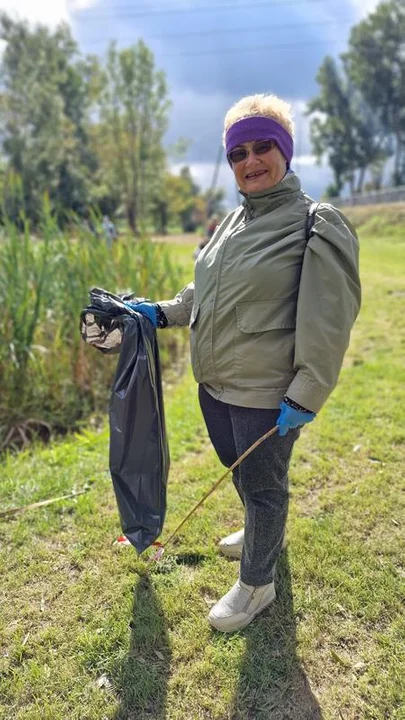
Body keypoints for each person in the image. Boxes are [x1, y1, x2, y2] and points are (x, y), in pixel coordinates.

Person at [126, 93, 361, 632]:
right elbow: (201, 290)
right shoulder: (231, 222)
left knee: (264, 485)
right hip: (215, 387)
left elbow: (331, 319)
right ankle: (262, 528)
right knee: (244, 475)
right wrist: (156, 313)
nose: (250, 162)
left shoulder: (314, 223)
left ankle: (258, 583)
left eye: (263, 148)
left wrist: (306, 392)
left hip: (266, 395)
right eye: (238, 153)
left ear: (285, 151)